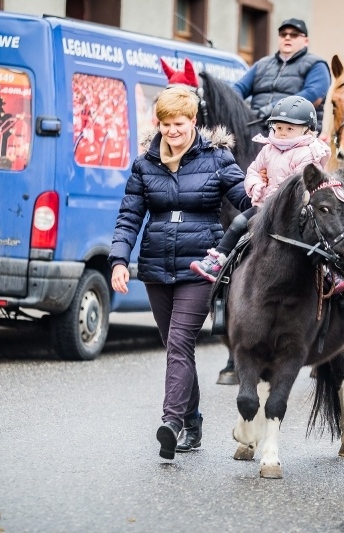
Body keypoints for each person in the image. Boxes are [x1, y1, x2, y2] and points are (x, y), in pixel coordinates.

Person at [108, 86, 248, 460]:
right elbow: (129, 217)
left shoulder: (217, 158)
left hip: (201, 266)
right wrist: (119, 260)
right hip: (156, 267)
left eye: (180, 123)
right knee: (175, 347)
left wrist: (274, 194)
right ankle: (193, 420)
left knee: (181, 342)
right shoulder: (145, 164)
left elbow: (248, 199)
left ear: (194, 121)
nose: (172, 131)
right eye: (166, 124)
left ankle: (172, 422)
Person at [190, 95, 332, 284]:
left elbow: (299, 183)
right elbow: (254, 170)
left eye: (290, 129)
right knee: (239, 223)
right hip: (265, 206)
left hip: (297, 210)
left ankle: (331, 270)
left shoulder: (309, 153)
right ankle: (218, 260)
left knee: (321, 232)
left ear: (307, 129)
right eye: (279, 127)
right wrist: (256, 185)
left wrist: (276, 197)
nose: (282, 133)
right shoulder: (268, 149)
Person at [233, 18, 331, 132]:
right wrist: (238, 108)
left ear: (306, 41)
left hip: (294, 133)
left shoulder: (317, 65)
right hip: (254, 127)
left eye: (294, 35)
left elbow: (312, 94)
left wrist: (274, 108)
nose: (287, 37)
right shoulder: (262, 64)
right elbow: (238, 88)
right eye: (283, 34)